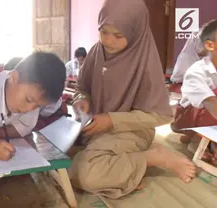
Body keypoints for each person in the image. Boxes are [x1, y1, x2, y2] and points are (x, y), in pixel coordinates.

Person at [68, 0, 196, 199]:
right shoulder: (96, 51)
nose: (108, 40)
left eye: (118, 35)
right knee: (60, 158)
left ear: (135, 31)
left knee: (85, 173)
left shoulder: (145, 61)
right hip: (95, 127)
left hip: (132, 130)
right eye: (103, 31)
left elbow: (160, 116)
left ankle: (151, 158)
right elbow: (81, 88)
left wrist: (112, 120)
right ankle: (126, 171)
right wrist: (81, 100)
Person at [171, 19, 217, 162]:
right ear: (210, 45)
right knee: (212, 97)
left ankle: (206, 141)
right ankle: (196, 141)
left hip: (210, 115)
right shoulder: (197, 71)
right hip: (188, 116)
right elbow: (210, 103)